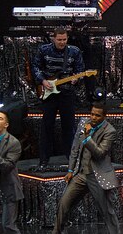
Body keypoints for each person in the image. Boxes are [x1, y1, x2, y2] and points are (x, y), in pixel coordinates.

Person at [42, 104, 123, 234]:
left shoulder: (109, 131)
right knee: (63, 204)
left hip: (97, 175)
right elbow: (75, 148)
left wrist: (87, 138)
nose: (93, 117)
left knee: (107, 210)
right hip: (81, 174)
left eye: (97, 115)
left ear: (104, 117)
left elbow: (100, 153)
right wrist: (70, 170)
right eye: (92, 114)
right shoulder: (83, 123)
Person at [33, 27, 85, 166]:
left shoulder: (74, 51)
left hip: (67, 92)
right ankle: (44, 159)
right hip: (49, 92)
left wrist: (76, 78)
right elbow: (36, 67)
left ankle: (71, 159)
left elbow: (80, 69)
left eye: (64, 39)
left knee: (69, 126)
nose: (62, 42)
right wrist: (43, 81)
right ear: (53, 39)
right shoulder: (44, 50)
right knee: (46, 126)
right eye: (59, 40)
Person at [54, 0, 101, 103]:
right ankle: (63, 95)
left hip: (83, 34)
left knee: (88, 64)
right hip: (67, 35)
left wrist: (97, 13)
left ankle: (91, 96)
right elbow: (56, 10)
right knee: (65, 64)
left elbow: (96, 11)